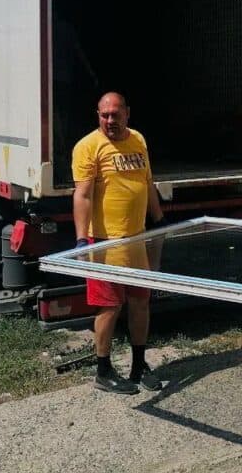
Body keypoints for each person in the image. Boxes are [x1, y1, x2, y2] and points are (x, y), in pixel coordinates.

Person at [73, 92, 165, 395]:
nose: (110, 120)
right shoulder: (88, 146)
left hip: (137, 238)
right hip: (104, 242)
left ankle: (139, 365)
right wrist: (82, 240)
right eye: (104, 115)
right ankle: (103, 371)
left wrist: (158, 220)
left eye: (115, 114)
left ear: (127, 113)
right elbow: (82, 195)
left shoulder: (138, 139)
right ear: (98, 115)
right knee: (109, 306)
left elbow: (146, 182)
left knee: (140, 302)